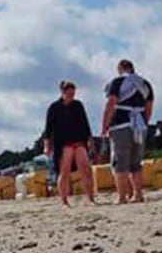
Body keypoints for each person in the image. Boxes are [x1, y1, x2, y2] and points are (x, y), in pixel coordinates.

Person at [101, 59, 154, 203]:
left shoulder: (118, 82)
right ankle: (138, 195)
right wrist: (144, 123)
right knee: (136, 163)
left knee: (120, 162)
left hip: (121, 125)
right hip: (139, 126)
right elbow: (149, 108)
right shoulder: (145, 84)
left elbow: (111, 104)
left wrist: (104, 125)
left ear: (120, 69)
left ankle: (122, 197)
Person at [42, 80, 96, 207]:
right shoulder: (54, 107)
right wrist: (47, 145)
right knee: (64, 172)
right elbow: (48, 128)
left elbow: (85, 123)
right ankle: (64, 201)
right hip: (63, 143)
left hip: (79, 141)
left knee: (86, 170)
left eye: (74, 93)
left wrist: (90, 140)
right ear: (63, 92)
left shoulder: (78, 105)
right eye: (70, 93)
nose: (72, 95)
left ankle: (91, 198)